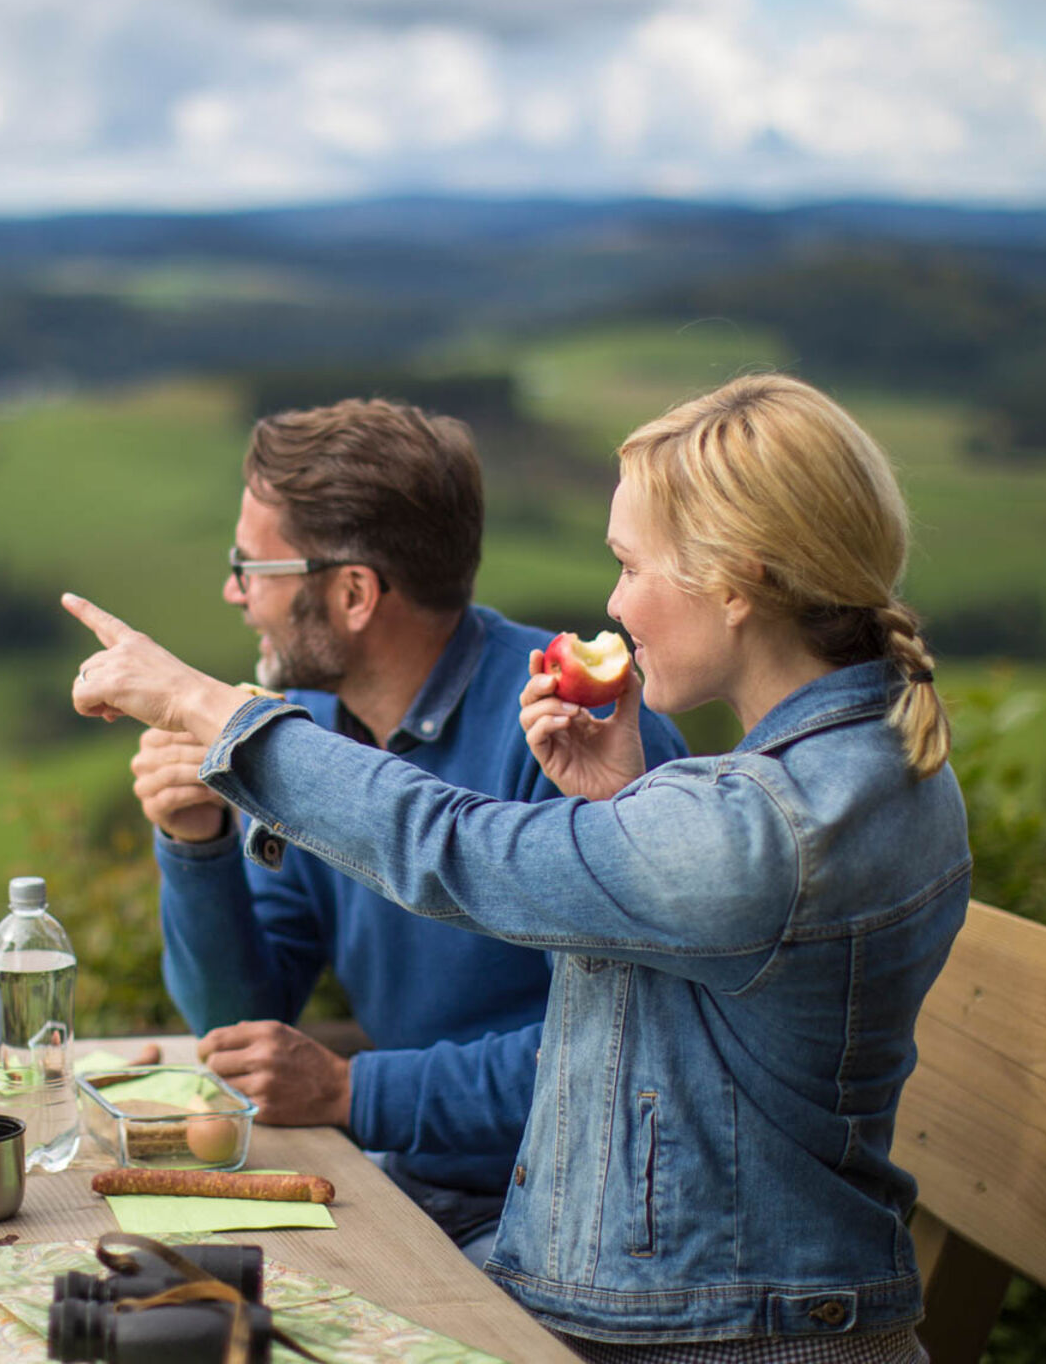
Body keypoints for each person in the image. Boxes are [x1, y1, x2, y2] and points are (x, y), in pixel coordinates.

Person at [66, 374, 969, 1360]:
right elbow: (681, 1009)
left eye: (630, 566)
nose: (613, 605)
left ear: (736, 581)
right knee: (150, 1309)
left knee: (165, 1328)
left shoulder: (776, 826)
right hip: (659, 1289)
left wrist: (224, 721)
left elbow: (457, 849)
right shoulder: (828, 779)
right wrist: (619, 805)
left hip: (706, 1326)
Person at [127, 396, 689, 1267]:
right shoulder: (307, 726)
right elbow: (240, 1025)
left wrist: (357, 1091)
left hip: (559, 1218)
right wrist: (197, 847)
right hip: (404, 1186)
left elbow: (619, 1060)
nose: (234, 590)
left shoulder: (573, 730)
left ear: (352, 593)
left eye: (253, 566)